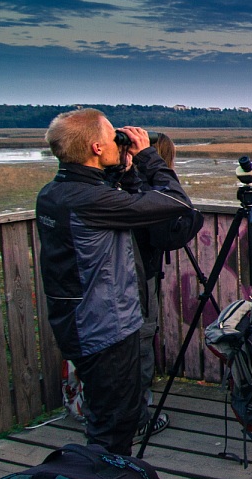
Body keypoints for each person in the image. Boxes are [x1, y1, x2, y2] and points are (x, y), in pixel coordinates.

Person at [36, 109, 197, 456]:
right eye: (113, 137)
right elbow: (175, 202)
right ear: (96, 147)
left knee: (106, 415)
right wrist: (148, 157)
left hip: (80, 322)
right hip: (105, 327)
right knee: (114, 425)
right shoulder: (90, 199)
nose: (118, 141)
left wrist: (123, 172)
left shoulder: (54, 193)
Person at [119, 132, 204, 441]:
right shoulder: (143, 193)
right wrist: (152, 171)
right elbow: (177, 222)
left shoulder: (118, 188)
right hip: (137, 280)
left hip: (116, 282)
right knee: (140, 344)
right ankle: (138, 421)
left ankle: (116, 417)